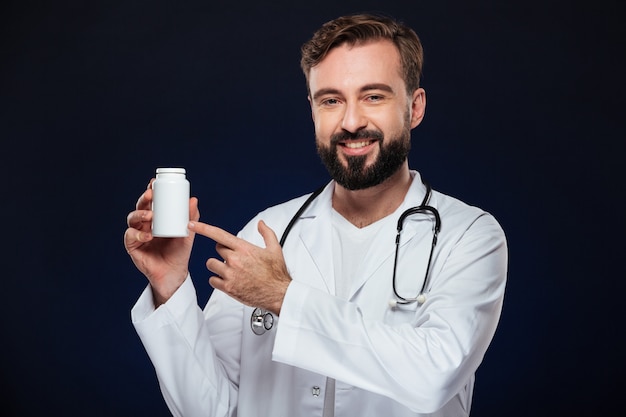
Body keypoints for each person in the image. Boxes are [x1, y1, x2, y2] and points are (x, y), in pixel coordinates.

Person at [124, 13, 507, 417]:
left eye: (373, 96)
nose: (351, 121)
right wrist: (170, 287)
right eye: (331, 100)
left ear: (414, 108)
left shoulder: (469, 235)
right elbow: (212, 408)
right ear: (312, 109)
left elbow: (435, 377)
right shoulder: (265, 234)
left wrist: (283, 297)